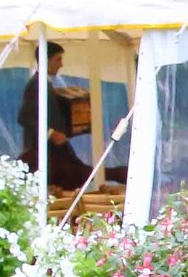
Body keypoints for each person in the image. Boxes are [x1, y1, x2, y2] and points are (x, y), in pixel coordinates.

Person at [17, 41, 122, 190]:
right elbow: (24, 117)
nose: (61, 64)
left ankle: (119, 174)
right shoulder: (36, 85)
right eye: (58, 59)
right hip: (44, 153)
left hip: (55, 152)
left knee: (81, 174)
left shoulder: (45, 85)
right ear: (45, 60)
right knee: (79, 175)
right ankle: (121, 174)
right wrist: (51, 133)